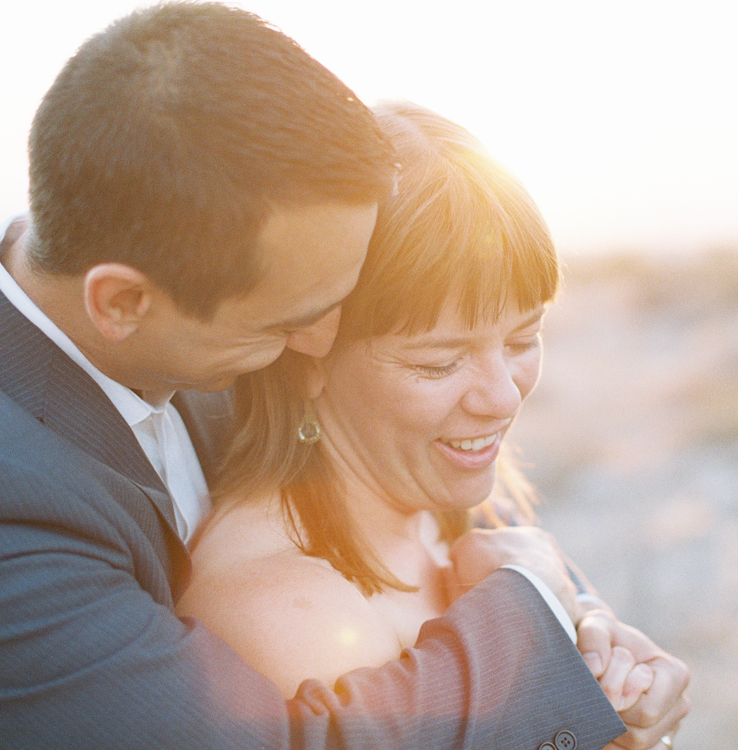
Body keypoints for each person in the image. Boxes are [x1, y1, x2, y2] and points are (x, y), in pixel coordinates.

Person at [0, 3, 629, 749]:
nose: (319, 344)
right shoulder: (19, 512)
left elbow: (410, 466)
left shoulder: (196, 295)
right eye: (290, 320)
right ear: (123, 302)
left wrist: (597, 633)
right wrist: (534, 608)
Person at [178, 103, 690, 747]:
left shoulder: (438, 484)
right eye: (439, 362)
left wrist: (608, 665)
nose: (503, 398)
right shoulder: (290, 609)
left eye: (522, 338)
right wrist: (538, 595)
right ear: (306, 353)